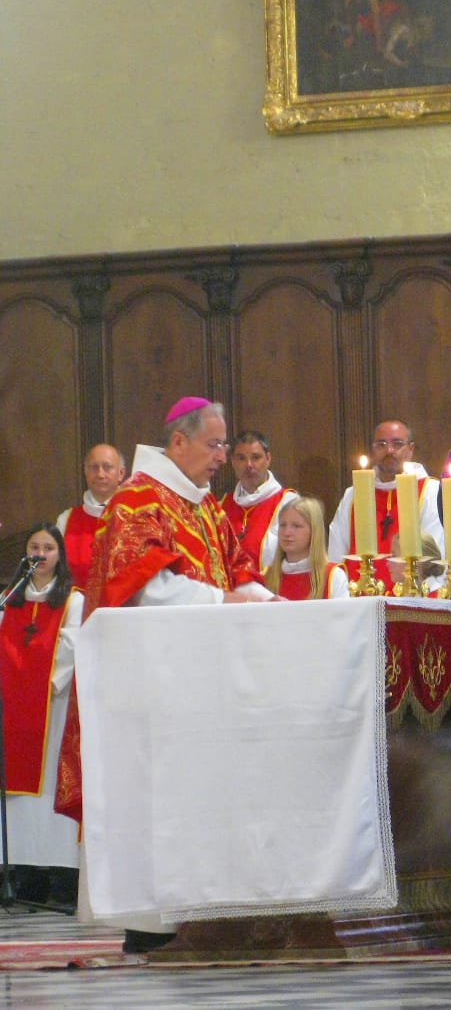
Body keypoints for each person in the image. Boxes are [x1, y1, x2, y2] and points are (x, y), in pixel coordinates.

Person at [54, 396, 275, 954]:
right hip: (154, 687)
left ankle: (206, 913)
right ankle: (151, 922)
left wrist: (266, 601)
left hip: (204, 680)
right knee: (159, 804)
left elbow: (239, 571)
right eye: (215, 444)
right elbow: (144, 590)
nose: (223, 457)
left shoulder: (200, 503)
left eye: (225, 444)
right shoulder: (138, 501)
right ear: (178, 442)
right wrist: (226, 599)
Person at [0, 523, 83, 906]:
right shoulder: (7, 600)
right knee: (18, 800)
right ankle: (23, 874)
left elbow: (72, 645)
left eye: (48, 547)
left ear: (59, 555)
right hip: (14, 711)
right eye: (34, 547)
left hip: (55, 706)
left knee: (50, 785)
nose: (40, 554)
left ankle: (61, 877)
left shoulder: (73, 601)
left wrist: (45, 685)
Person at [327, 419, 445, 591]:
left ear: (411, 449)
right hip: (358, 601)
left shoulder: (429, 491)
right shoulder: (353, 494)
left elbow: (435, 555)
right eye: (381, 444)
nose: (389, 450)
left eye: (397, 444)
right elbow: (336, 555)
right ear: (373, 450)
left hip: (410, 600)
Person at [219, 429, 296, 571]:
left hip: (271, 589)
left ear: (268, 459)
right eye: (241, 458)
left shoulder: (289, 504)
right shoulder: (221, 506)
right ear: (233, 462)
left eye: (255, 457)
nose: (249, 465)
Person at [56, 444, 126, 587]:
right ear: (85, 472)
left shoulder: (136, 517)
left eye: (107, 467)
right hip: (78, 606)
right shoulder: (66, 520)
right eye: (94, 467)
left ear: (121, 474)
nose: (100, 474)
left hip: (123, 608)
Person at [265, 495, 350, 601]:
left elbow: (343, 617)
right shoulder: (265, 577)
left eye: (296, 526)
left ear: (314, 531)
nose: (286, 532)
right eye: (282, 525)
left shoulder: (333, 577)